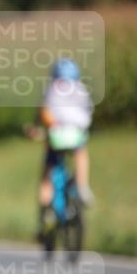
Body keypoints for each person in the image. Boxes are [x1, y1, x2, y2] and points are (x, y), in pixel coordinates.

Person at [27, 58, 94, 237]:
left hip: (56, 136)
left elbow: (43, 113)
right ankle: (82, 186)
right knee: (81, 154)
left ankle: (46, 214)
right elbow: (88, 113)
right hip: (77, 135)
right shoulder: (81, 89)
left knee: (47, 176)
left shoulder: (51, 89)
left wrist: (35, 131)